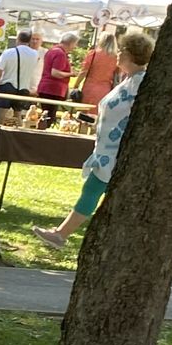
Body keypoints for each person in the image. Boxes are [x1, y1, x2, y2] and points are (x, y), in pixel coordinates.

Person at [33, 29, 154, 247]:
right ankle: (62, 234)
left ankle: (60, 234)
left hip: (115, 150)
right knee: (95, 189)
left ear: (129, 53)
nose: (117, 54)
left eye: (121, 50)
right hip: (106, 148)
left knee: (92, 189)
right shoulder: (128, 80)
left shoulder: (140, 82)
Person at [75, 30, 119, 109]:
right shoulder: (116, 58)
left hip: (89, 87)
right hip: (106, 89)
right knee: (99, 112)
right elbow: (117, 75)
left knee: (85, 111)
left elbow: (84, 72)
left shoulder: (93, 54)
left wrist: (76, 84)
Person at [38, 32, 79, 103]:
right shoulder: (60, 54)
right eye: (75, 44)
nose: (75, 46)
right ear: (71, 43)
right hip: (54, 89)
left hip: (45, 87)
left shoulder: (52, 50)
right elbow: (55, 73)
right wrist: (71, 74)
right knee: (50, 109)